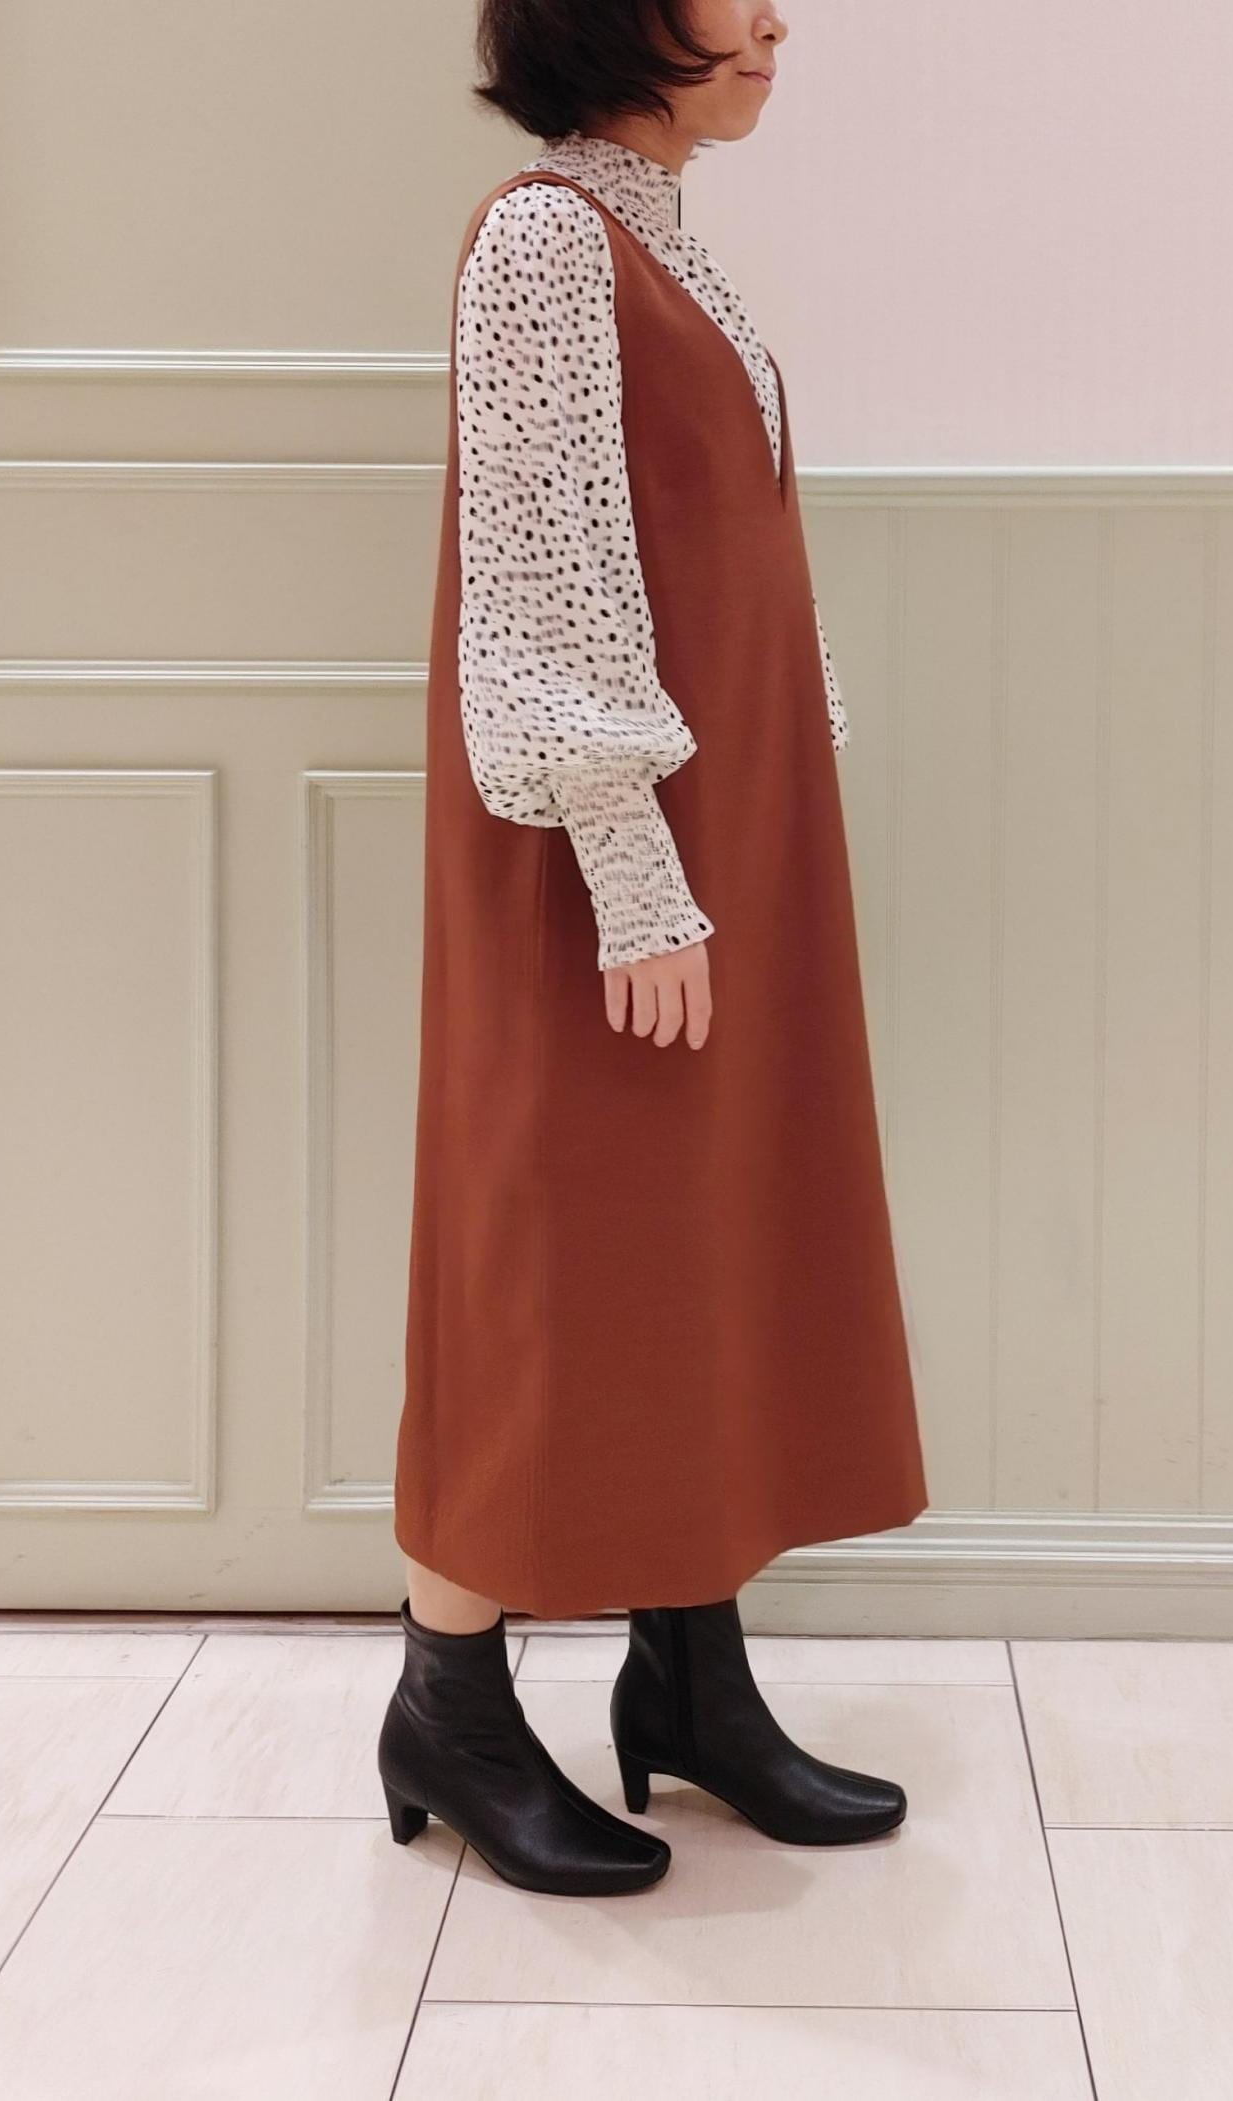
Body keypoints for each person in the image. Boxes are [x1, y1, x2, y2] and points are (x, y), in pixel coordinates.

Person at [378, 0, 930, 1897]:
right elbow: (542, 579)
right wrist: (631, 859)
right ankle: (448, 1706)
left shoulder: (658, 228)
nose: (775, 18)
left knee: (699, 1239)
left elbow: (708, 544)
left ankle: (691, 1681)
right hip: (606, 849)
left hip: (723, 830)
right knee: (540, 1252)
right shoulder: (547, 239)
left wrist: (773, 796)